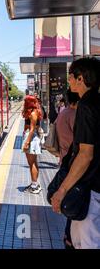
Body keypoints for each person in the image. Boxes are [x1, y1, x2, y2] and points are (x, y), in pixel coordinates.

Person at [50, 57, 100, 249]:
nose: (68, 81)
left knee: (85, 243)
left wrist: (61, 190)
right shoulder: (96, 102)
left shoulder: (86, 106)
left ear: (81, 78)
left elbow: (85, 154)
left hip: (91, 190)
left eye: (70, 77)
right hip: (96, 187)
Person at [54, 89, 80, 249]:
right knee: (77, 204)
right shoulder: (74, 115)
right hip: (74, 165)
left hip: (66, 161)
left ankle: (69, 236)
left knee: (73, 203)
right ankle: (70, 239)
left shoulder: (63, 114)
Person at [22, 95, 44, 194]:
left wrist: (27, 142)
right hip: (31, 137)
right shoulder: (31, 112)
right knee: (32, 162)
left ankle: (34, 186)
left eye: (26, 102)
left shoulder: (34, 113)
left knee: (32, 163)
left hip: (32, 138)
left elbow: (32, 129)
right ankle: (34, 183)